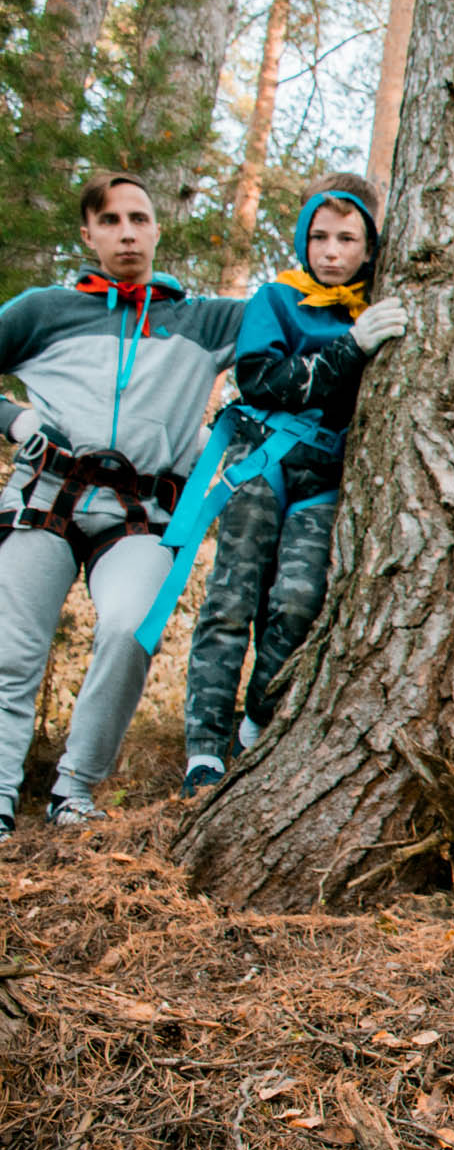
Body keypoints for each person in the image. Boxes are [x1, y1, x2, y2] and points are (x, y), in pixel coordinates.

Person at [0, 172, 244, 833]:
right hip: (43, 501)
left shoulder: (202, 319)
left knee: (129, 629)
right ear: (89, 234)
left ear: (158, 227)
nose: (127, 232)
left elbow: (294, 317)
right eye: (110, 221)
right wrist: (11, 419)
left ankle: (74, 788)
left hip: (138, 519)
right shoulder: (42, 310)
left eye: (139, 218)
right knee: (12, 651)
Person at [167, 175, 405, 795]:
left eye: (347, 239)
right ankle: (203, 749)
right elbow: (262, 380)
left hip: (327, 476)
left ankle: (256, 723)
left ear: (370, 246)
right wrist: (348, 351)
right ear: (303, 241)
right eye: (319, 237)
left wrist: (358, 337)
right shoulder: (276, 300)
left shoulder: (374, 308)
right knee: (230, 600)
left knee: (299, 602)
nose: (331, 251)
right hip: (265, 460)